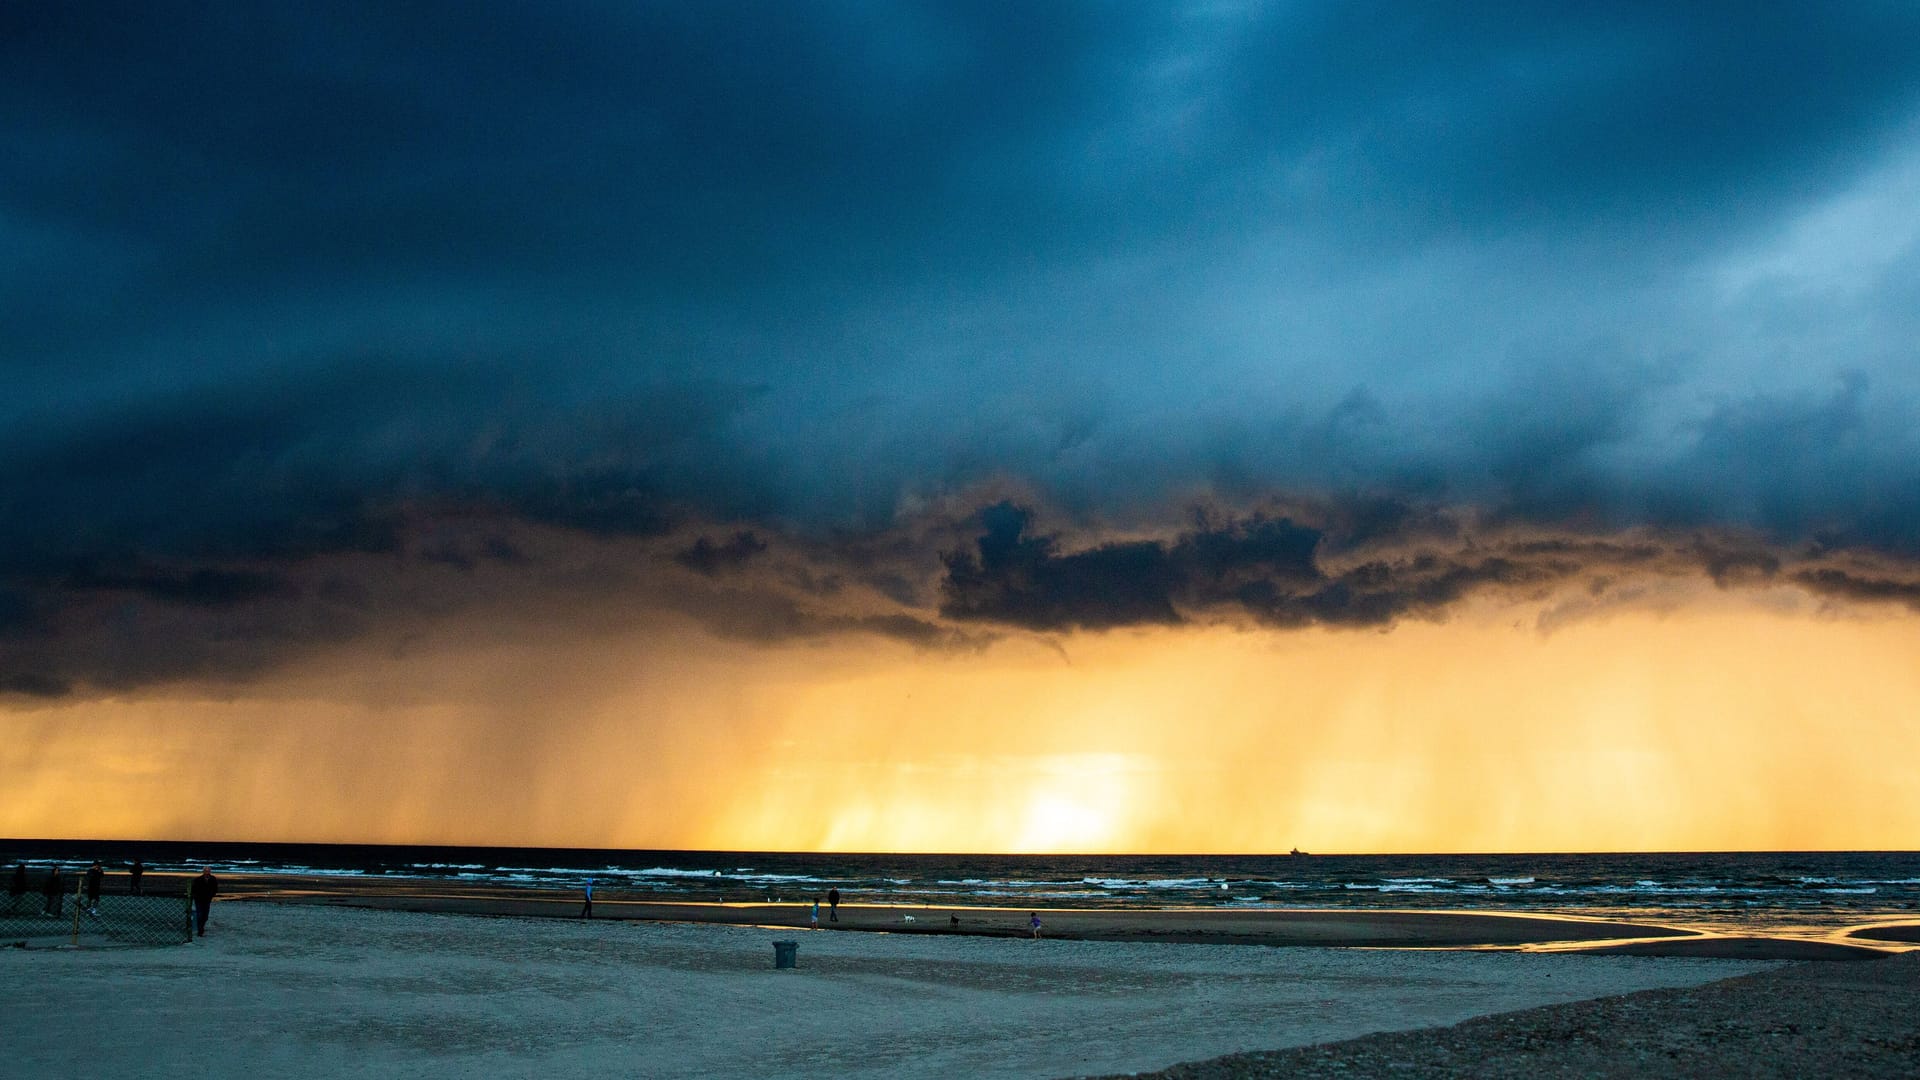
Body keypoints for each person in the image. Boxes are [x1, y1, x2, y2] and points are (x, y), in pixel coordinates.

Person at [190, 868, 218, 936]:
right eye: (206, 871)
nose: (207, 872)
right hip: (199, 899)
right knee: (199, 914)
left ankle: (201, 927)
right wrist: (195, 896)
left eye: (208, 871)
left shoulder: (213, 879)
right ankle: (200, 930)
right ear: (203, 872)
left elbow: (215, 888)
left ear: (210, 871)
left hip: (207, 899)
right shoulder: (198, 879)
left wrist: (212, 895)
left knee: (205, 916)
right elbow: (193, 889)